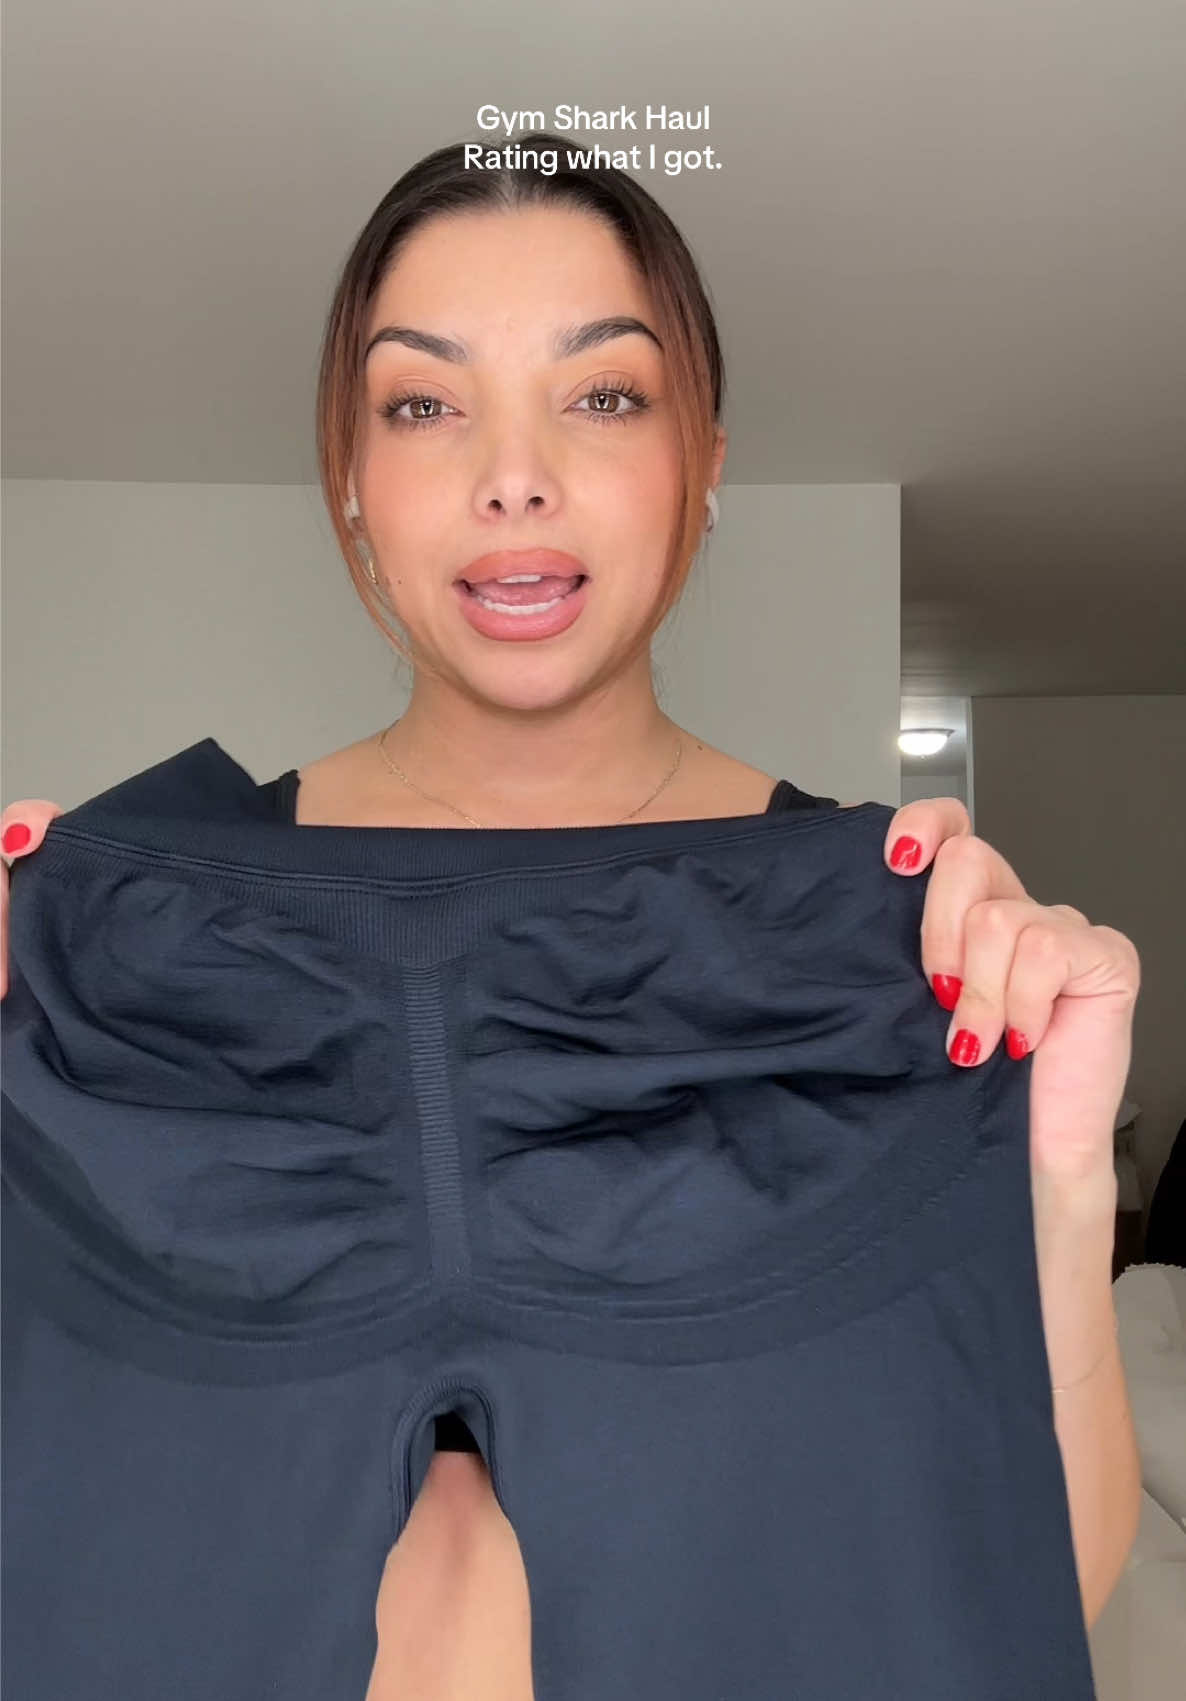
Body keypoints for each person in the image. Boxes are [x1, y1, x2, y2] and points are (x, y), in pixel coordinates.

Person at [2, 135, 1133, 1700]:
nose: (513, 473)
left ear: (706, 463)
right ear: (348, 476)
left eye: (602, 395)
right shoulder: (128, 955)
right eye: (423, 404)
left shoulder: (884, 951)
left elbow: (1000, 1589)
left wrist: (1057, 1174)